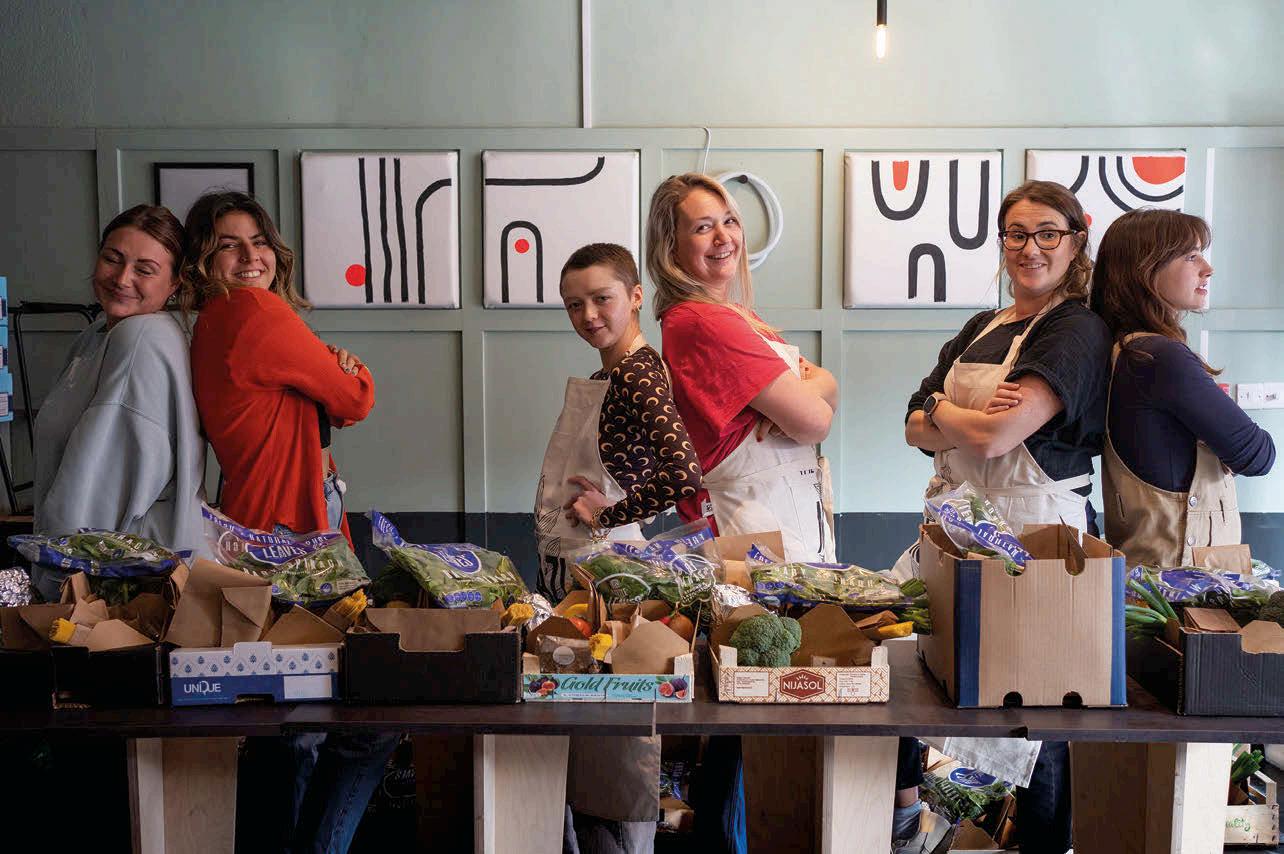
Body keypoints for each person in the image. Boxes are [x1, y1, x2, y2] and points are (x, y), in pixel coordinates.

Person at [904, 180, 1112, 854]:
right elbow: (910, 424)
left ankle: (1042, 845)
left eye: (1048, 233)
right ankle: (937, 825)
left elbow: (998, 438)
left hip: (1036, 535)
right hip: (959, 527)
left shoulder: (1075, 330)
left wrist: (941, 411)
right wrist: (947, 414)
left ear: (1076, 241)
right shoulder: (983, 326)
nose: (1031, 248)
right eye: (1017, 234)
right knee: (934, 679)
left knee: (1036, 710)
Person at [184, 191, 393, 854]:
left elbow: (313, 397)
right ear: (203, 261)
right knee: (363, 712)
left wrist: (320, 365)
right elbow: (354, 396)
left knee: (290, 711)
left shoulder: (212, 322)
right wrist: (342, 365)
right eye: (227, 244)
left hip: (247, 523)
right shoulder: (257, 311)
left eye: (259, 242)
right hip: (293, 532)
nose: (250, 257)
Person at [645, 173, 839, 854]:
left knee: (749, 702)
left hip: (784, 523)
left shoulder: (735, 318)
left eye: (728, 220)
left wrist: (814, 389)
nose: (723, 236)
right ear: (670, 247)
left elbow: (817, 395)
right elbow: (814, 417)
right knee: (752, 701)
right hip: (755, 530)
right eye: (702, 226)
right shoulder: (702, 322)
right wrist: (813, 389)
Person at [537, 242, 702, 854]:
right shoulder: (611, 373)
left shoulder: (636, 372)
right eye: (573, 305)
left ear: (635, 297)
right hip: (580, 572)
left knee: (611, 744)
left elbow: (683, 474)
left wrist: (610, 513)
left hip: (606, 578)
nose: (588, 315)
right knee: (590, 740)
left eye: (601, 299)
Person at [32, 204, 206, 600]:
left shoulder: (140, 339)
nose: (122, 278)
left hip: (117, 587)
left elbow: (95, 489)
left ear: (175, 282)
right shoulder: (95, 336)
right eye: (113, 258)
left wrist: (55, 582)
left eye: (145, 269)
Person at [1090, 208, 1273, 566]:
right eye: (1191, 256)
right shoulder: (1160, 357)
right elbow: (1259, 455)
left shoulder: (1120, 352)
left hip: (1143, 566)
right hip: (1184, 578)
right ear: (1146, 269)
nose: (1208, 268)